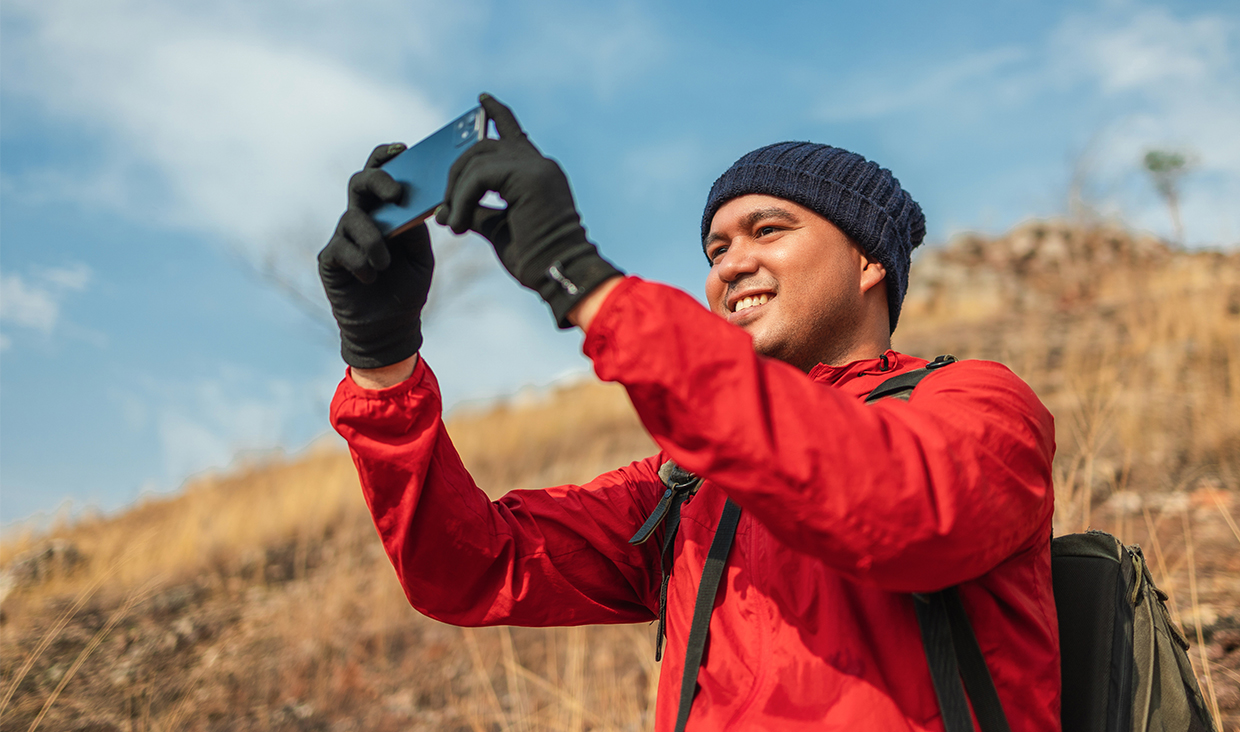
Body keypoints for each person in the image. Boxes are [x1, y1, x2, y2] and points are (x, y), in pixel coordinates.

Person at [319, 94, 1060, 731]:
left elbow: (898, 508)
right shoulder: (689, 486)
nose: (729, 265)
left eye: (767, 231)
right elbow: (471, 567)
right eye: (715, 248)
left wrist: (586, 284)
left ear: (870, 262)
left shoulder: (977, 403)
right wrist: (382, 362)